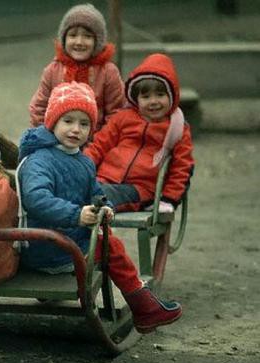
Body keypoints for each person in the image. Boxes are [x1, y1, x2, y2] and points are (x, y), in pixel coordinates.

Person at [17, 81, 182, 334]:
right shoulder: (39, 160)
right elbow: (36, 199)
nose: (76, 129)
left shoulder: (82, 161)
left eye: (84, 124)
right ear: (52, 122)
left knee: (107, 239)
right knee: (110, 246)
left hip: (68, 241)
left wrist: (103, 207)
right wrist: (76, 215)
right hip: (46, 247)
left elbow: (95, 192)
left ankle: (138, 304)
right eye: (68, 121)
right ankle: (141, 306)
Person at [84, 53, 195, 213]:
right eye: (146, 96)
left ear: (172, 95)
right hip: (104, 178)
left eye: (160, 95)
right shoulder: (123, 118)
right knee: (74, 187)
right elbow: (99, 145)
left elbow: (182, 167)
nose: (153, 101)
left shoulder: (177, 127)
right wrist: (81, 168)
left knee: (99, 196)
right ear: (136, 99)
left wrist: (169, 199)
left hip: (139, 189)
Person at [28, 3, 124, 133]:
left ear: (98, 41)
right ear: (63, 39)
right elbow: (39, 108)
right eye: (73, 35)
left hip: (97, 142)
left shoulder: (108, 72)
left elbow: (116, 113)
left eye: (87, 36)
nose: (79, 42)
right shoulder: (53, 70)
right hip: (57, 141)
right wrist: (45, 138)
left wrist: (99, 143)